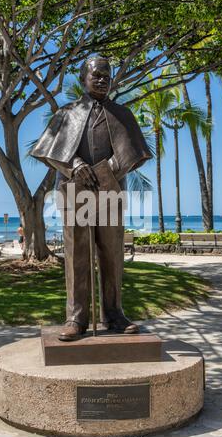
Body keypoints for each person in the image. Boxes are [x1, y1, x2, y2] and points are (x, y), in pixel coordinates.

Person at [31, 56, 152, 341]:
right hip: (75, 191)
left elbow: (136, 153)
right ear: (84, 78)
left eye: (107, 75)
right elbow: (49, 152)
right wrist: (74, 165)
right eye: (96, 75)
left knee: (111, 253)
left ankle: (115, 314)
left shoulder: (123, 114)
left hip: (110, 190)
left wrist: (112, 167)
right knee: (77, 256)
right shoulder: (66, 113)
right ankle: (76, 318)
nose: (102, 79)